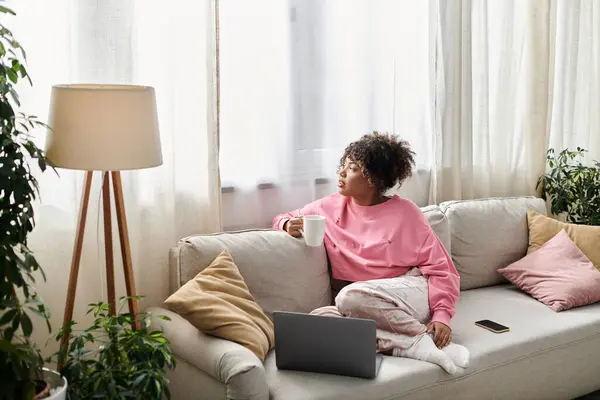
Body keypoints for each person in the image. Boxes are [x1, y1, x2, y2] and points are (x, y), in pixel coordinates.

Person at [272, 132, 470, 375]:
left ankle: (421, 340)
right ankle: (405, 345)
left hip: (408, 290)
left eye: (352, 168)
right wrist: (285, 225)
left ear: (373, 178)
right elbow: (284, 217)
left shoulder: (406, 213)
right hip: (363, 302)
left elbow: (441, 269)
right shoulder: (328, 207)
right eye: (342, 166)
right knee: (317, 321)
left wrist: (441, 316)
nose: (341, 173)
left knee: (348, 298)